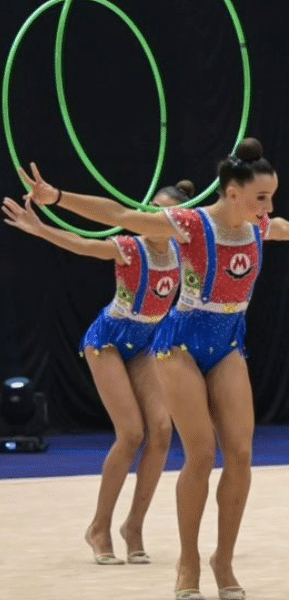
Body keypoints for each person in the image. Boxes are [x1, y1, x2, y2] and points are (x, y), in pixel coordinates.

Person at [17, 138, 289, 600]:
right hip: (179, 344)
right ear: (233, 193)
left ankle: (223, 560)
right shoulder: (192, 225)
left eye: (272, 197)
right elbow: (119, 214)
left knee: (240, 454)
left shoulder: (258, 226)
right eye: (261, 198)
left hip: (228, 342)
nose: (268, 207)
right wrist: (56, 198)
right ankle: (188, 562)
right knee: (200, 453)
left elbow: (285, 228)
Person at [3, 182, 191, 566]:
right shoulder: (130, 248)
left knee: (161, 431)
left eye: (160, 213)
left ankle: (133, 526)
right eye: (148, 209)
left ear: (176, 222)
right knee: (131, 433)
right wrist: (39, 228)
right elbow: (83, 245)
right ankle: (99, 527)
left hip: (146, 341)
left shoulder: (183, 251)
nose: (149, 217)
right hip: (107, 341)